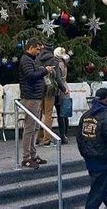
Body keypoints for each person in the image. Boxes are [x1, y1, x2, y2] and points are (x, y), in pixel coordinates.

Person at [18, 37, 54, 169]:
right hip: (30, 97)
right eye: (37, 49)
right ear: (30, 47)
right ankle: (26, 157)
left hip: (36, 96)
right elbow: (31, 76)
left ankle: (33, 154)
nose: (39, 52)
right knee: (29, 128)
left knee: (35, 127)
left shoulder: (31, 60)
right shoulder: (26, 60)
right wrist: (44, 70)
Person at [36, 44, 68, 146]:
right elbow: (58, 78)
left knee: (40, 113)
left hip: (40, 89)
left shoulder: (37, 58)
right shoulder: (53, 60)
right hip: (51, 90)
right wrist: (64, 89)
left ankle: (37, 137)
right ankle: (47, 139)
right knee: (48, 114)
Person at [53, 47, 70, 144]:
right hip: (66, 87)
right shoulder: (64, 63)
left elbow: (58, 78)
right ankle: (65, 134)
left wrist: (63, 89)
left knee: (60, 114)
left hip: (60, 90)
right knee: (65, 113)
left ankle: (63, 135)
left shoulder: (57, 64)